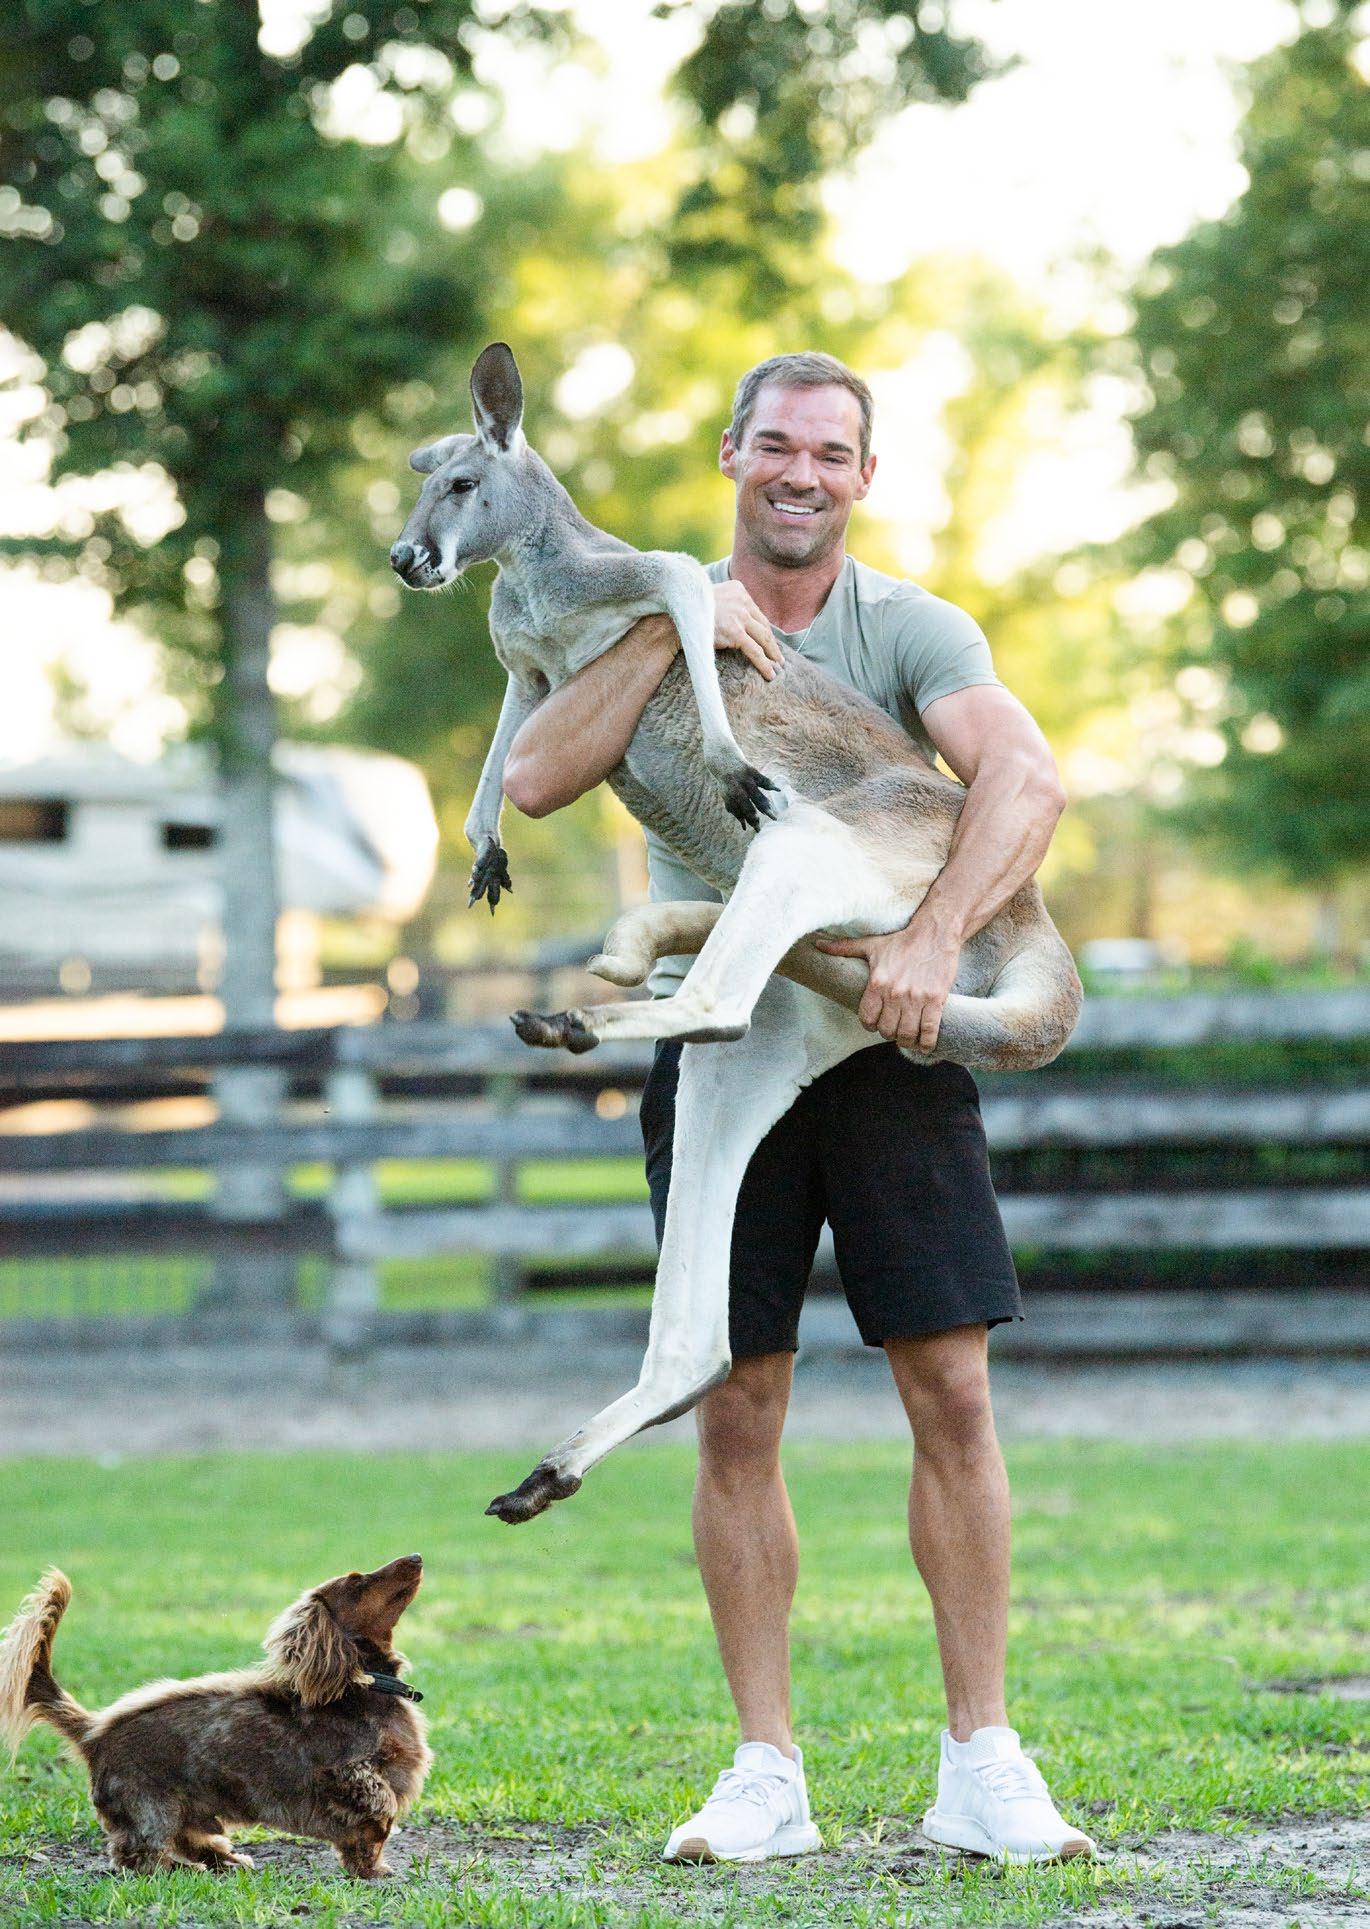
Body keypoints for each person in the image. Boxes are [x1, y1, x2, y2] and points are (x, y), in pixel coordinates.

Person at [501, 352, 1094, 1867]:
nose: (801, 473)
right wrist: (672, 622)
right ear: (731, 454)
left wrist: (932, 938)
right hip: (724, 1032)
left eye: (831, 453)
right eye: (776, 444)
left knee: (949, 1387)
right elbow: (540, 776)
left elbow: (1024, 781)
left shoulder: (910, 627)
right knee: (736, 1401)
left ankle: (982, 1760)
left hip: (890, 1033)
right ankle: (765, 1771)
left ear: (862, 478)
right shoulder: (646, 600)